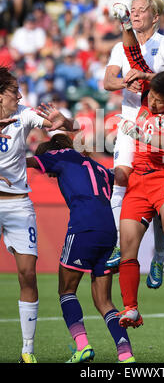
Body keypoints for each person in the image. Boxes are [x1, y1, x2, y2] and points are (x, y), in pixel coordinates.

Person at [108, 17, 164, 328]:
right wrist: (126, 23)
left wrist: (140, 134)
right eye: (152, 98)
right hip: (139, 181)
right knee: (127, 244)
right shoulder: (149, 94)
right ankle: (130, 308)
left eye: (159, 101)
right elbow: (134, 56)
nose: (153, 103)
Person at [27, 133, 135, 364]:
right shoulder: (96, 166)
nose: (49, 174)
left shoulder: (60, 155)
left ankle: (83, 346)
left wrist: (8, 155)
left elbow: (30, 161)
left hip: (83, 228)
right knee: (104, 301)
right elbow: (121, 180)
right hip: (108, 232)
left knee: (66, 290)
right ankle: (126, 354)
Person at [0, 67, 76, 363]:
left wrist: (63, 122)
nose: (19, 95)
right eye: (13, 91)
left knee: (27, 274)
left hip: (18, 203)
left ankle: (27, 351)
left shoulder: (24, 113)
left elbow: (66, 128)